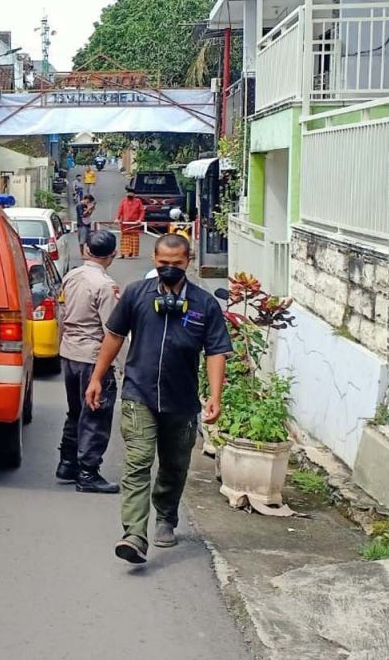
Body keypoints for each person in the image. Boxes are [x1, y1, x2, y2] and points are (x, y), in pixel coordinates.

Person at [86, 234, 232, 564]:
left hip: (181, 401)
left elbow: (216, 352)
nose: (169, 269)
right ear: (154, 259)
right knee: (137, 463)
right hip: (139, 394)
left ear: (188, 262)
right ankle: (134, 534)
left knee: (174, 465)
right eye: (163, 264)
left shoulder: (204, 303)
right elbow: (114, 336)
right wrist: (97, 376)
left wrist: (215, 396)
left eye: (176, 265)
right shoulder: (137, 294)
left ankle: (166, 516)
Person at [56, 230, 121, 494]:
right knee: (95, 414)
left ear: (85, 250)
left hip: (70, 352)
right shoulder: (106, 286)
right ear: (113, 255)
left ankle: (67, 463)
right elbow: (113, 331)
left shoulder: (71, 276)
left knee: (75, 411)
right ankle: (87, 473)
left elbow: (61, 313)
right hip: (93, 357)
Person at [116, 189, 146, 259]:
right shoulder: (123, 201)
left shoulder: (138, 201)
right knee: (124, 239)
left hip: (134, 223)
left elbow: (142, 211)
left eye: (131, 193)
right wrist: (117, 218)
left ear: (134, 194)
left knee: (133, 238)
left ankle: (131, 253)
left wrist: (140, 219)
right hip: (125, 223)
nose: (129, 194)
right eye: (128, 193)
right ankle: (122, 254)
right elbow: (120, 210)